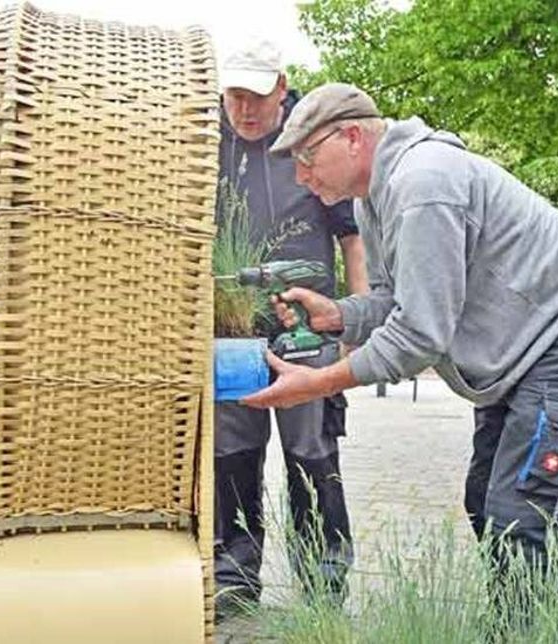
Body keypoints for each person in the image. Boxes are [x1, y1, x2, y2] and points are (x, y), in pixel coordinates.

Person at [243, 83, 558, 580]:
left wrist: (317, 384)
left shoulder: (423, 183)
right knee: (486, 500)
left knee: (525, 515)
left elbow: (419, 334)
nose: (300, 177)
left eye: (306, 156)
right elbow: (397, 298)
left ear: (351, 137)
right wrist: (339, 315)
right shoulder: (373, 198)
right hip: (525, 346)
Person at [214, 44, 367, 616]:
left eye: (256, 95)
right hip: (231, 333)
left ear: (282, 86)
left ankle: (324, 585)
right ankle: (234, 579)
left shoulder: (313, 139)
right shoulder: (206, 139)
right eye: (235, 95)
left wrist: (353, 321)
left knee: (311, 453)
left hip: (309, 331)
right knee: (232, 454)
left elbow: (353, 239)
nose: (245, 109)